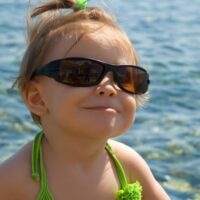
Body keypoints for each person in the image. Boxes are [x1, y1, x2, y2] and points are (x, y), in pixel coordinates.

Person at [0, 0, 170, 199]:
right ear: (37, 98)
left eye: (126, 77)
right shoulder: (15, 179)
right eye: (82, 73)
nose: (108, 88)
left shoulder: (128, 164)